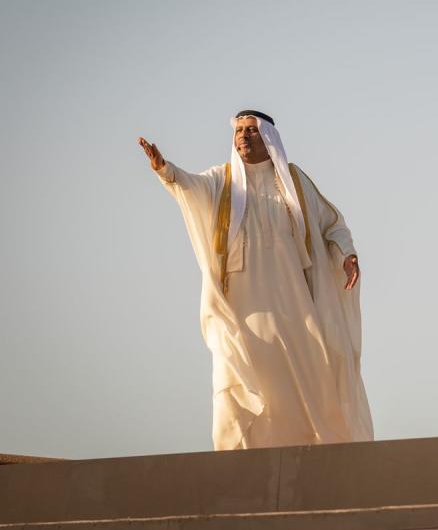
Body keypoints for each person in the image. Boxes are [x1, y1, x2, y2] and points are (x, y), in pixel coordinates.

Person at [138, 110, 373, 450]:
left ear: (269, 138)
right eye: (238, 131)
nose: (243, 137)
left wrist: (347, 255)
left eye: (251, 130)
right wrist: (165, 169)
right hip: (242, 303)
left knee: (305, 373)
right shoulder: (223, 181)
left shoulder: (294, 181)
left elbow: (331, 223)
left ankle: (308, 445)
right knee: (237, 369)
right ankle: (243, 453)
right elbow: (188, 186)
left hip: (292, 301)